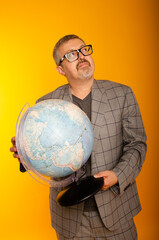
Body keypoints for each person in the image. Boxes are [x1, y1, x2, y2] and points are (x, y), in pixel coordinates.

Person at [10, 34, 147, 240]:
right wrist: (26, 155)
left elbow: (137, 144)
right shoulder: (45, 106)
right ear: (60, 69)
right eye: (72, 54)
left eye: (84, 50)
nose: (82, 56)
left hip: (117, 212)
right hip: (70, 220)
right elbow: (39, 157)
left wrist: (118, 175)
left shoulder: (122, 94)